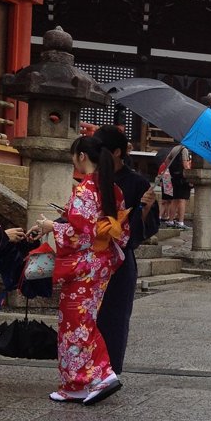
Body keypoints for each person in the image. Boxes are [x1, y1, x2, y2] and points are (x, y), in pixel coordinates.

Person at [34, 134, 130, 404]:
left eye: (73, 156)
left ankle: (96, 375)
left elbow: (81, 232)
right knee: (82, 320)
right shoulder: (112, 189)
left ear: (82, 157)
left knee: (74, 323)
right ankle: (81, 382)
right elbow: (121, 231)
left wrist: (52, 227)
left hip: (84, 264)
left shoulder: (85, 190)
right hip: (101, 262)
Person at [92, 125, 159, 373]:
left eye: (102, 151)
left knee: (115, 317)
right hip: (92, 259)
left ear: (117, 152)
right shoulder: (94, 180)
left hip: (119, 260)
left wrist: (146, 209)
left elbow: (145, 228)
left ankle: (109, 371)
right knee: (88, 316)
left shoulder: (137, 183)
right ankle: (86, 369)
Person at [167, 145, 191, 228]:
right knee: (182, 199)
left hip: (174, 177)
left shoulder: (175, 148)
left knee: (174, 199)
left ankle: (170, 220)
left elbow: (167, 160)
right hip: (182, 178)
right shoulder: (184, 150)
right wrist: (189, 175)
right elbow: (185, 164)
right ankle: (180, 222)